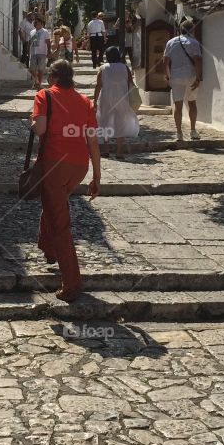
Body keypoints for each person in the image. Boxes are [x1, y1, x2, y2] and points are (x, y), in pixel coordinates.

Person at [31, 59, 101, 302]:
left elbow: (40, 130)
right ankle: (48, 247)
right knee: (54, 204)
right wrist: (97, 175)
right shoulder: (84, 101)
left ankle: (71, 282)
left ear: (52, 78)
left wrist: (33, 122)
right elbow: (92, 139)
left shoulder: (44, 96)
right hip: (79, 166)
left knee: (60, 224)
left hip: (54, 165)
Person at [94, 46, 140, 158]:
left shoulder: (103, 68)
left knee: (105, 123)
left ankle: (106, 150)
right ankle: (119, 152)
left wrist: (94, 100)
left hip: (106, 99)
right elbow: (131, 83)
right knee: (121, 123)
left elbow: (98, 86)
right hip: (122, 99)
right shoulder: (125, 68)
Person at [164, 18, 203, 141]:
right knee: (192, 103)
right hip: (190, 76)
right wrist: (198, 77)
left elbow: (165, 60)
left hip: (175, 76)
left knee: (178, 105)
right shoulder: (194, 43)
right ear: (192, 30)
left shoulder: (171, 42)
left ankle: (179, 133)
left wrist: (167, 75)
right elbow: (197, 60)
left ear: (180, 30)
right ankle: (192, 130)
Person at [28, 16, 51, 88]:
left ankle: (39, 84)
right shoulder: (32, 32)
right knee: (32, 69)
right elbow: (30, 43)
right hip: (33, 53)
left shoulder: (45, 32)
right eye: (34, 22)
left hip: (42, 53)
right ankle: (37, 81)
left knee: (41, 70)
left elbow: (48, 42)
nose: (35, 23)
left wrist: (49, 51)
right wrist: (28, 52)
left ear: (41, 23)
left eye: (36, 22)